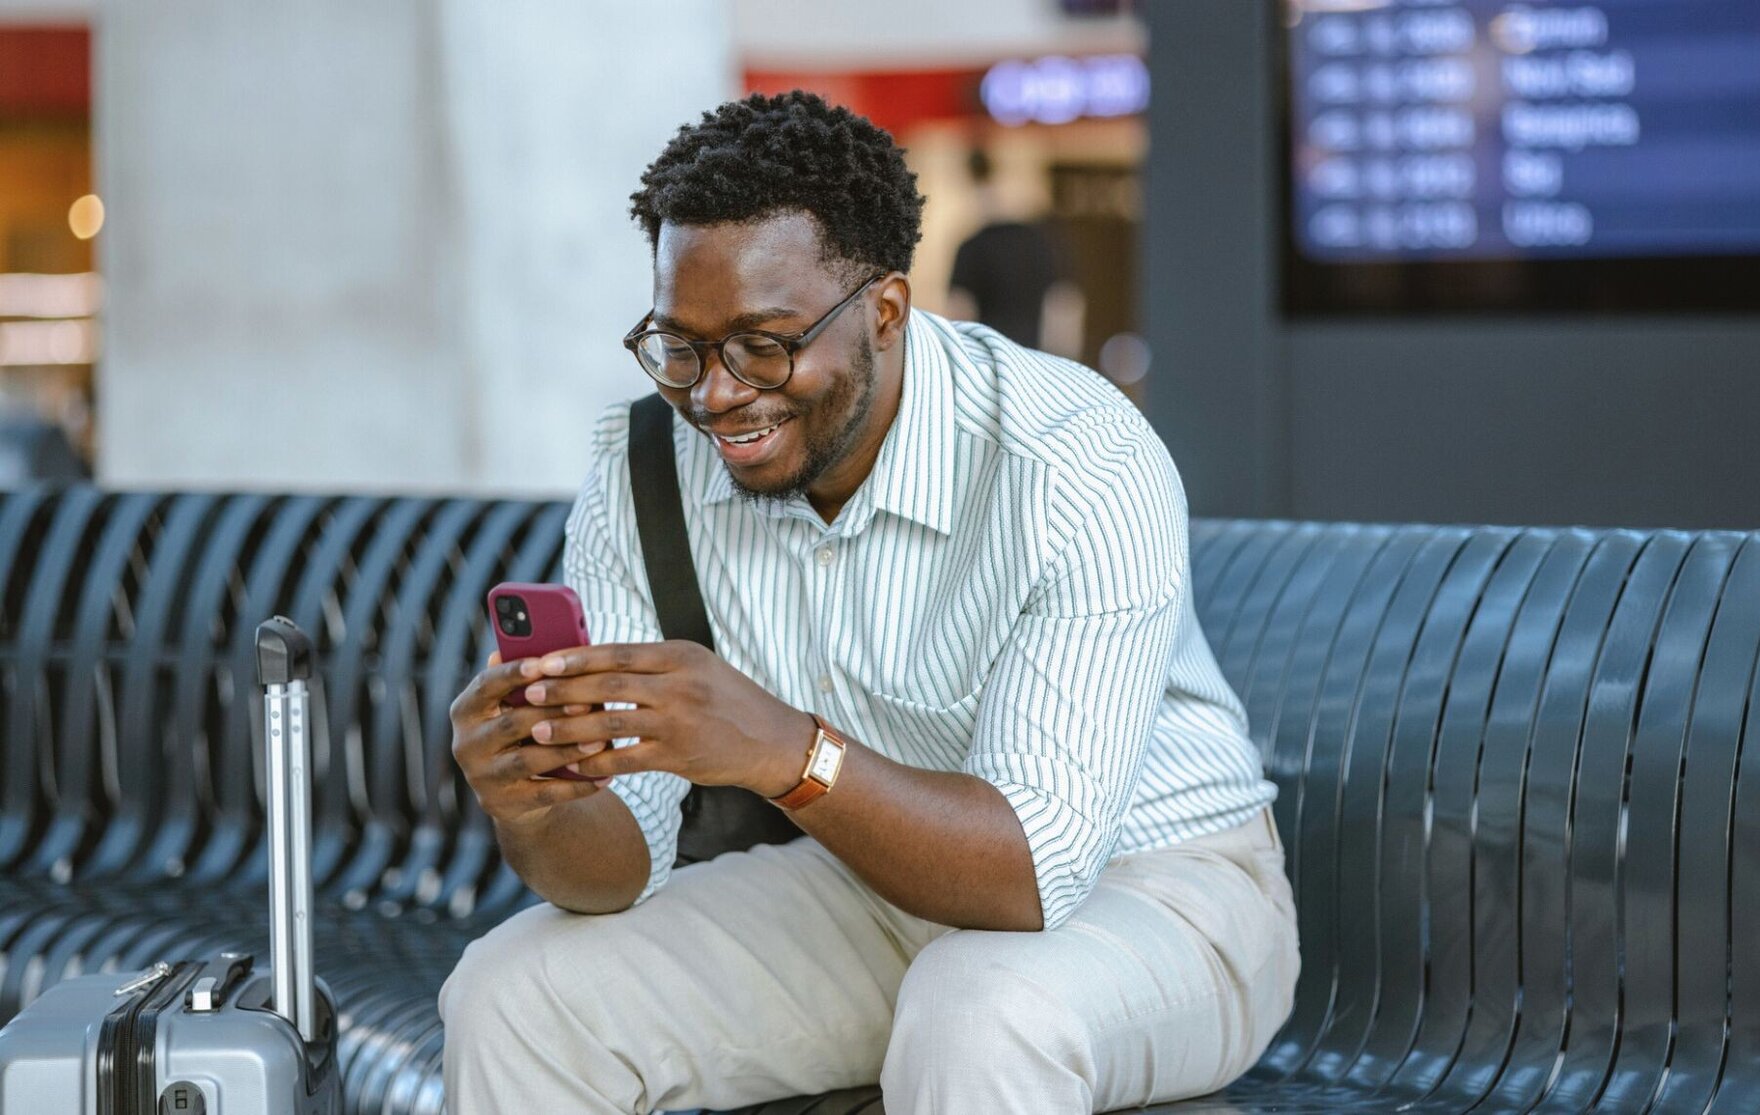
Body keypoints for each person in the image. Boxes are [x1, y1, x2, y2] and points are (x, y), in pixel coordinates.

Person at [438, 91, 1297, 1115]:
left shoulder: (1072, 457)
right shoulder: (646, 474)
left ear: (884, 311)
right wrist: (537, 798)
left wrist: (781, 749)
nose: (713, 394)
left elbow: (1028, 876)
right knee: (514, 994)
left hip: (1157, 893)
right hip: (863, 883)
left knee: (980, 1006)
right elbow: (609, 871)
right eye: (682, 345)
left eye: (762, 343)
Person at [945, 147, 1086, 360]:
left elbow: (960, 309)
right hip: (1034, 359)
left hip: (991, 362)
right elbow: (1064, 306)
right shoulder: (1045, 244)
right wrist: (1063, 361)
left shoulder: (973, 246)